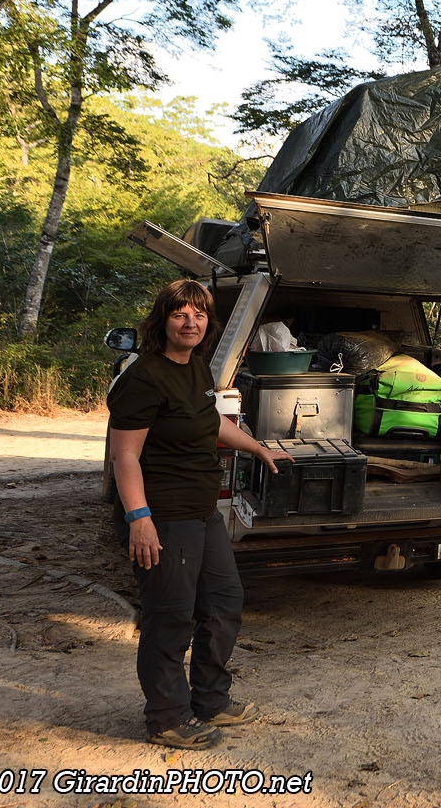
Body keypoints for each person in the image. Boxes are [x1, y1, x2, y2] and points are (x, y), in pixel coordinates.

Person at [108, 279, 291, 750]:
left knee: (224, 603)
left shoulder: (197, 370)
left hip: (203, 512)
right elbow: (124, 456)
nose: (191, 322)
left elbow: (212, 424)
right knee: (169, 617)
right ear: (161, 321)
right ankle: (167, 716)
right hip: (165, 515)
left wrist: (259, 448)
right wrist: (139, 518)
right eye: (179, 314)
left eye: (199, 314)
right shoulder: (143, 378)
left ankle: (209, 699)